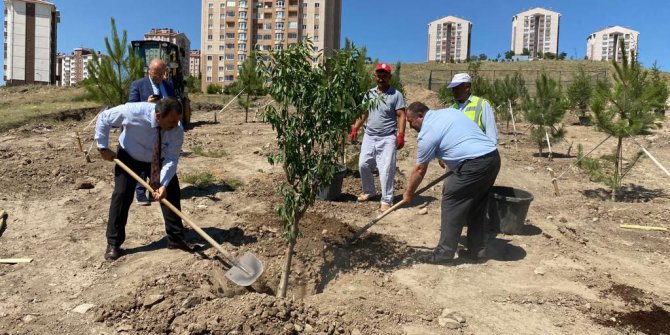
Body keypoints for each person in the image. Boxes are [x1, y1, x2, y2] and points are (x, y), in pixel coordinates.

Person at [95, 98, 193, 261]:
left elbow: (172, 157)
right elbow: (104, 118)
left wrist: (163, 183)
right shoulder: (133, 112)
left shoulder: (177, 129)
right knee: (122, 195)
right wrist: (102, 147)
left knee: (171, 193)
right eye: (171, 121)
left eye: (178, 120)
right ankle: (114, 243)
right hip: (129, 156)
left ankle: (175, 238)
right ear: (158, 116)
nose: (175, 125)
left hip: (158, 159)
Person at [403, 101, 500, 264]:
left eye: (410, 122)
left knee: (452, 200)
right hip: (492, 158)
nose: (410, 127)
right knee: (477, 204)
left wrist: (409, 193)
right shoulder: (447, 113)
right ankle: (477, 251)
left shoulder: (427, 132)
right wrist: (445, 156)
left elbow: (420, 169)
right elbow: (456, 135)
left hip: (473, 164)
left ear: (420, 116)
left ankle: (444, 253)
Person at [349, 63, 406, 211]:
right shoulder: (369, 94)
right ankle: (369, 191)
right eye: (379, 75)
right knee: (363, 164)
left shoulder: (396, 95)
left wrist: (401, 135)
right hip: (369, 135)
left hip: (387, 137)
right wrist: (355, 128)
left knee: (386, 168)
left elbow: (401, 116)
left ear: (390, 77)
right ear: (375, 76)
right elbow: (364, 113)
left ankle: (387, 199)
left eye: (385, 75)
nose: (382, 78)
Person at [128, 59, 177, 206]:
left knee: (158, 159)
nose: (159, 77)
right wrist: (146, 104)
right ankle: (140, 191)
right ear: (149, 70)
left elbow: (175, 103)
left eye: (162, 74)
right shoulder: (138, 84)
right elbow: (130, 107)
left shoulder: (168, 85)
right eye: (156, 73)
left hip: (163, 128)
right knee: (143, 160)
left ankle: (155, 187)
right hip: (145, 128)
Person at [447, 73, 498, 145]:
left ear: (467, 87)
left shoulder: (482, 104)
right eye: (453, 88)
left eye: (457, 88)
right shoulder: (452, 108)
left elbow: (491, 135)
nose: (454, 91)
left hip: (478, 152)